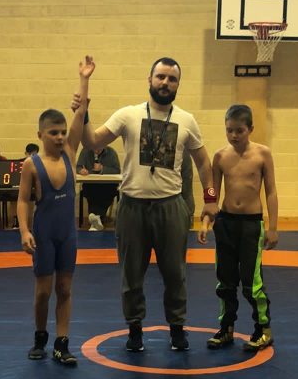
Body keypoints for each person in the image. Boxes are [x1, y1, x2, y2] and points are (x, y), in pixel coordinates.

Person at [81, 57, 218, 353]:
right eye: (161, 77)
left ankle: (177, 328)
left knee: (175, 274)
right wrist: (84, 111)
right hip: (132, 207)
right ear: (150, 79)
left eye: (172, 79)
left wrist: (210, 199)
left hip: (171, 207)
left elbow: (204, 163)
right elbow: (92, 141)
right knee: (131, 274)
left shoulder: (186, 120)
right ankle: (134, 329)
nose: (165, 83)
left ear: (178, 85)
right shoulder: (128, 115)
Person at [17, 57, 95, 366]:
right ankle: (40, 337)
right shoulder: (31, 165)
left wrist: (84, 79)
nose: (61, 137)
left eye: (63, 132)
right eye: (53, 133)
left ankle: (62, 344)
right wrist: (24, 231)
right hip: (44, 234)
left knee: (65, 288)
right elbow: (23, 201)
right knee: (43, 292)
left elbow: (81, 114)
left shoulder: (70, 154)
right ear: (40, 135)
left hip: (67, 234)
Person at [198, 103, 278, 352]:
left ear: (250, 129)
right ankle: (226, 328)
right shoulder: (220, 156)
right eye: (229, 130)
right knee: (225, 281)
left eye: (239, 131)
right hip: (226, 223)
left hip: (251, 225)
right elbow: (212, 192)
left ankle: (263, 329)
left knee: (252, 282)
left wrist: (273, 227)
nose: (233, 135)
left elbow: (271, 191)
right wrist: (206, 222)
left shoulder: (262, 154)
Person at [76, 141, 121, 230]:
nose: (96, 150)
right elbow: (78, 167)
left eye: (99, 148)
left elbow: (117, 170)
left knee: (105, 191)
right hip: (91, 184)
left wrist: (102, 169)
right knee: (92, 190)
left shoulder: (112, 153)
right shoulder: (85, 151)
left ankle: (95, 217)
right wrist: (81, 171)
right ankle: (98, 218)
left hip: (107, 185)